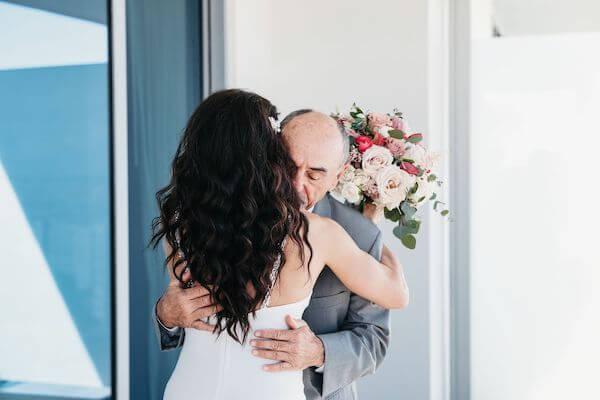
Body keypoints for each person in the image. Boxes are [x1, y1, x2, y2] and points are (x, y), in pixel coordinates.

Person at [152, 89, 409, 400]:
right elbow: (398, 293)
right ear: (268, 155)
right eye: (287, 165)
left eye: (314, 175)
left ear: (338, 175)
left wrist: (319, 351)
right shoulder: (319, 234)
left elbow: (374, 340)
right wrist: (165, 314)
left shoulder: (181, 224)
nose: (296, 184)